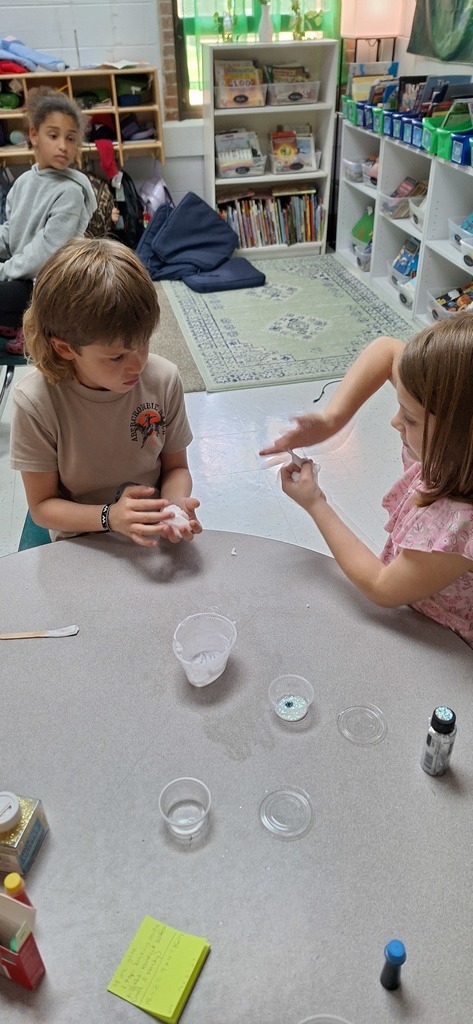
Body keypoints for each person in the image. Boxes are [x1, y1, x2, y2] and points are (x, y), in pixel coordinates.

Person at [260, 316, 473, 649]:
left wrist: (316, 503)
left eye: (410, 418)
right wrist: (331, 421)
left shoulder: (460, 526)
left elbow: (381, 586)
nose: (394, 421)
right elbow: (387, 350)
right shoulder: (454, 454)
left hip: (445, 643)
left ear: (460, 436)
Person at [10, 236, 202, 546]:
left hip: (149, 532)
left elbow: (176, 468)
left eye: (144, 344)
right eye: (117, 356)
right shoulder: (36, 402)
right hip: (81, 539)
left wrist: (173, 507)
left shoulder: (163, 379)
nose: (137, 364)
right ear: (65, 348)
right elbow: (43, 507)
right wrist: (109, 516)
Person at [0, 86, 96, 353]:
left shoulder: (71, 192)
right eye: (53, 136)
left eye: (71, 139)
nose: (63, 146)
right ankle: (19, 322)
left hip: (52, 287)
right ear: (34, 135)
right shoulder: (23, 182)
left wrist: (4, 271)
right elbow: (11, 234)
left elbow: (45, 254)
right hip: (23, 280)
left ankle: (34, 329)